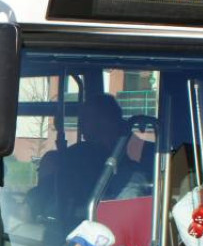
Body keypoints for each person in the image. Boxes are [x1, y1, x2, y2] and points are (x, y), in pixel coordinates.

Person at [29, 94, 144, 228]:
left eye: (85, 119)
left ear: (107, 122)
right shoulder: (75, 156)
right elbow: (45, 198)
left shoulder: (132, 173)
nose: (81, 125)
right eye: (81, 120)